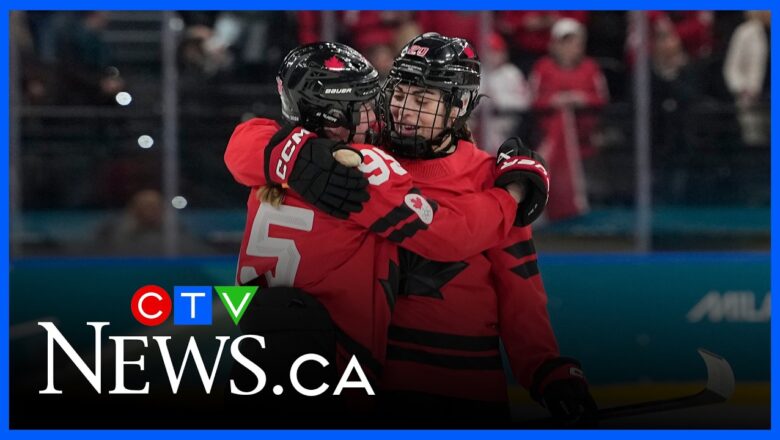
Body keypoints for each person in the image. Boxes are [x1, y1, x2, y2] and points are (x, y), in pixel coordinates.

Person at [224, 41, 543, 425]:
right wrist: (512, 194)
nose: (382, 113)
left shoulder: (274, 163)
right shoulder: (363, 163)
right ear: (333, 113)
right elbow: (450, 234)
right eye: (364, 103)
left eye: (421, 99)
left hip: (260, 351)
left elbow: (243, 141)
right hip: (339, 368)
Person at [374, 32, 597, 426]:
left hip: (469, 387)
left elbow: (520, 291)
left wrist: (547, 369)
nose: (404, 110)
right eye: (400, 95)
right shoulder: (368, 162)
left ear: (459, 105)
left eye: (422, 100)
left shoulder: (492, 176)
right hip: (379, 382)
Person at [530, 18, 609, 221]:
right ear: (555, 44)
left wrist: (582, 99)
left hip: (585, 138)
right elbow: (533, 100)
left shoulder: (590, 68)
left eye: (574, 42)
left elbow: (602, 99)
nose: (570, 48)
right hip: (549, 139)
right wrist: (553, 101)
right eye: (565, 42)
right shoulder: (542, 68)